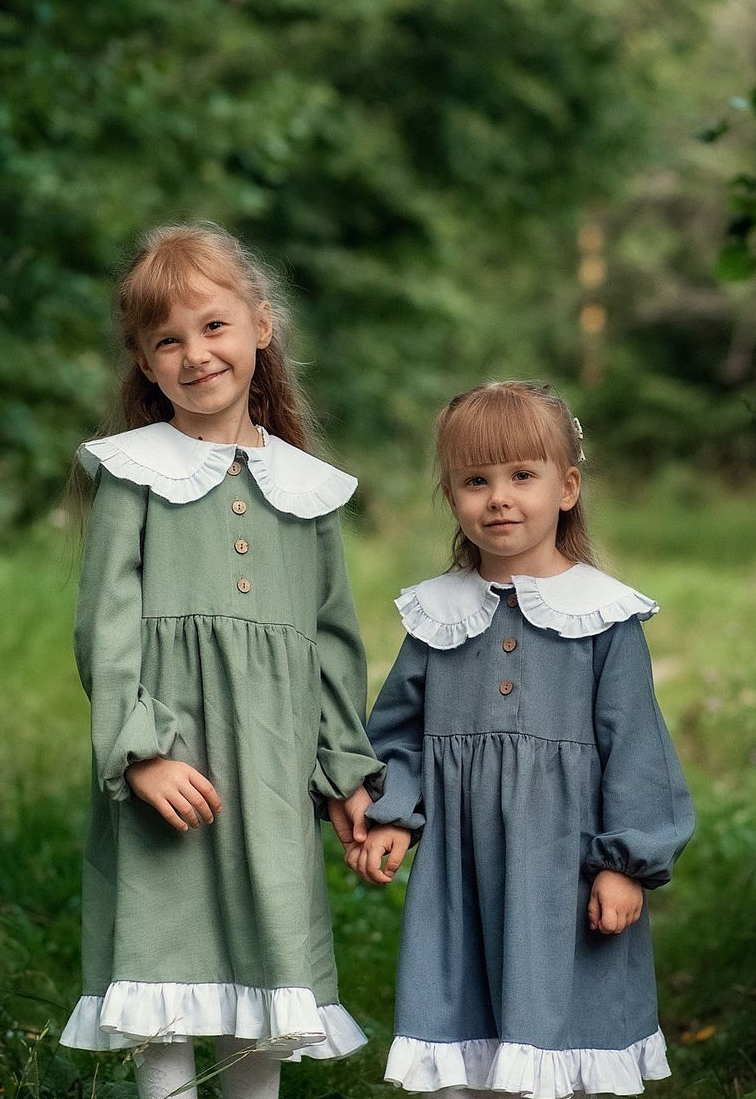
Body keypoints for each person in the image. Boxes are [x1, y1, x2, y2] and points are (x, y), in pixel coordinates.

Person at [60, 223, 383, 1099]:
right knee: (162, 964)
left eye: (213, 326)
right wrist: (141, 753)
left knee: (265, 972)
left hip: (272, 770)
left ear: (260, 326)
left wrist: (345, 770)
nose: (196, 354)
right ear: (144, 361)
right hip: (173, 759)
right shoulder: (133, 474)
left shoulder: (306, 488)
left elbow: (332, 641)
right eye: (168, 340)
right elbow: (106, 630)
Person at [342, 381, 694, 1099]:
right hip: (463, 870)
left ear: (567, 488)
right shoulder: (438, 615)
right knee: (464, 1030)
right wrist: (396, 813)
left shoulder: (602, 617)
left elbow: (637, 750)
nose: (499, 498)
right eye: (476, 480)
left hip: (566, 871)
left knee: (565, 1035)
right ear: (451, 496)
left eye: (522, 475)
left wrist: (626, 864)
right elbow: (400, 732)